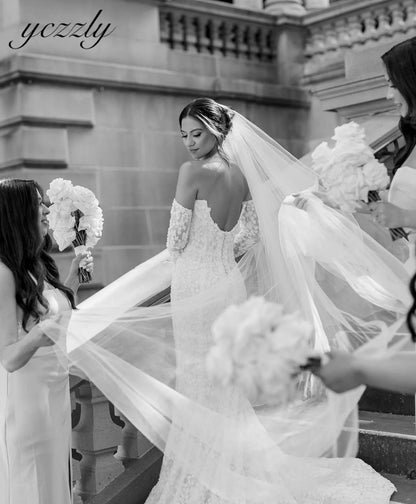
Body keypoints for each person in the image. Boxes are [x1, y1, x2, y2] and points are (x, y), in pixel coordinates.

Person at [56, 97, 416, 503]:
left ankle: (206, 472)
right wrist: (218, 248)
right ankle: (231, 463)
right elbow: (249, 237)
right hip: (226, 282)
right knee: (222, 379)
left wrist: (189, 254)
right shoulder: (242, 176)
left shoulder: (191, 171)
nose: (190, 143)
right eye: (185, 136)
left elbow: (175, 241)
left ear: (216, 131)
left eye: (197, 133)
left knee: (197, 377)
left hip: (194, 280)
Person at [0, 178, 92, 504]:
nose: (45, 209)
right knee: (33, 486)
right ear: (18, 213)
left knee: (55, 484)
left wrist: (72, 282)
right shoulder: (3, 272)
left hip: (54, 394)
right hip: (28, 403)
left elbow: (49, 317)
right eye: (38, 203)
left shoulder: (36, 263)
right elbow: (9, 357)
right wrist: (42, 333)